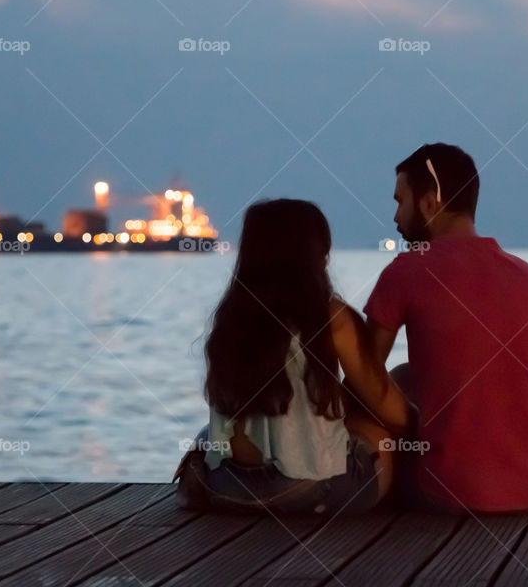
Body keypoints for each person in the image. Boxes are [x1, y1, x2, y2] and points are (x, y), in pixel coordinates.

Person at [174, 199, 412, 515]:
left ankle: (200, 477)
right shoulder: (333, 319)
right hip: (305, 492)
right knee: (380, 437)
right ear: (319, 256)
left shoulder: (230, 319)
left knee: (210, 436)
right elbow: (394, 414)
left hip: (229, 486)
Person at [364, 143, 528, 513]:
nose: (395, 216)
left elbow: (363, 376)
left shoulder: (407, 270)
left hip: (451, 493)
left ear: (428, 203)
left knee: (373, 412)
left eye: (400, 201)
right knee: (408, 375)